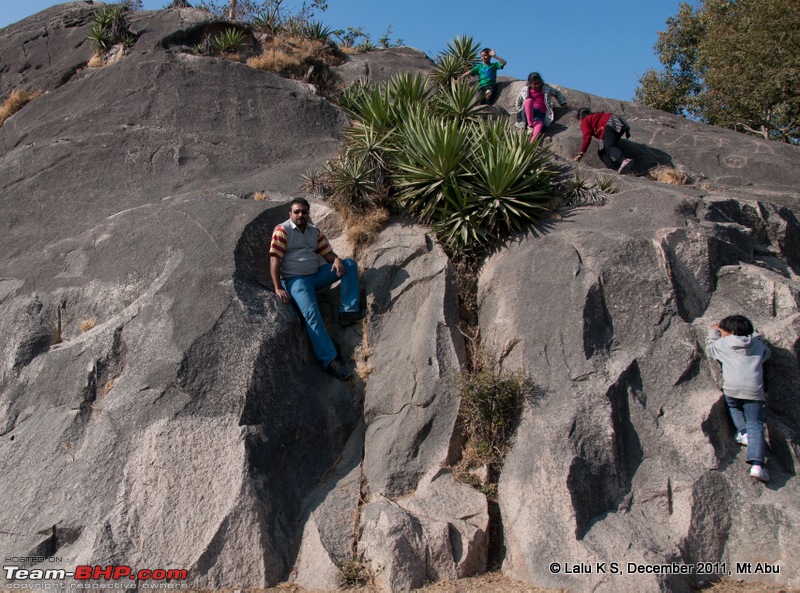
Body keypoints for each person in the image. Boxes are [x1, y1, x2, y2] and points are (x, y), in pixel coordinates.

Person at [269, 198, 366, 381]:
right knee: (312, 314)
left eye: (304, 212)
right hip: (296, 280)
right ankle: (330, 360)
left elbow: (326, 253)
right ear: (290, 214)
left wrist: (336, 259)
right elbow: (275, 260)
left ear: (308, 213)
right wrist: (278, 287)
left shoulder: (314, 231)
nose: (300, 215)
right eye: (296, 212)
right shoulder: (282, 230)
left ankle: (348, 311)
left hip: (316, 275)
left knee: (349, 265)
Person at [706, 315, 772, 482]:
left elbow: (710, 350)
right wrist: (756, 337)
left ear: (732, 332)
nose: (723, 332)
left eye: (724, 330)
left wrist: (713, 332)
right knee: (756, 424)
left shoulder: (723, 343)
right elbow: (767, 354)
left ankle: (743, 432)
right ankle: (757, 465)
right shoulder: (757, 345)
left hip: (732, 388)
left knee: (733, 406)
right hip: (754, 390)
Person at [573, 108, 634, 174]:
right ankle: (614, 169)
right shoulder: (596, 116)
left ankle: (624, 160)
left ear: (580, 118)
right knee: (601, 151)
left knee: (609, 147)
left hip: (609, 124)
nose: (579, 124)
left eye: (578, 121)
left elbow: (587, 137)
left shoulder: (585, 120)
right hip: (619, 123)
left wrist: (581, 153)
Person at [513, 72, 568, 141]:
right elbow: (518, 102)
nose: (538, 85)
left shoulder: (546, 88)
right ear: (530, 83)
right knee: (528, 101)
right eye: (535, 84)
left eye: (539, 83)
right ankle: (530, 126)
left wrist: (563, 103)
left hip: (539, 114)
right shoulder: (525, 90)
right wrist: (520, 110)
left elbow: (557, 93)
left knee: (538, 129)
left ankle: (531, 144)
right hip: (528, 113)